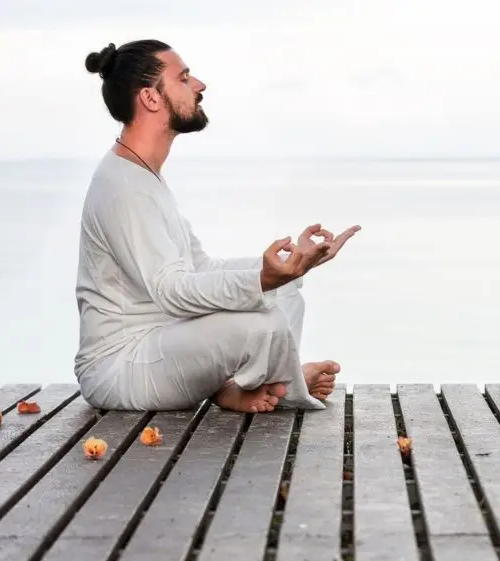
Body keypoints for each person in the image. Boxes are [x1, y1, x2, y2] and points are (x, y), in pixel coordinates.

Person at [72, 39, 359, 414]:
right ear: (151, 98)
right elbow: (172, 291)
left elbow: (200, 268)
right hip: (121, 368)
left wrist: (289, 267)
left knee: (286, 292)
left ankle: (249, 386)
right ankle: (283, 384)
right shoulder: (123, 188)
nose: (200, 86)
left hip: (164, 346)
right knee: (264, 325)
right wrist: (260, 280)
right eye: (185, 78)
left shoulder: (144, 177)